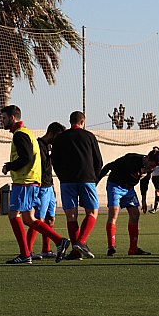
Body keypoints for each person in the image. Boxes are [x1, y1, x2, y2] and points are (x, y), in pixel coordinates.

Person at [0, 105, 70, 264]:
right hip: (29, 182)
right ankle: (59, 242)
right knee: (28, 219)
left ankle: (26, 254)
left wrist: (9, 166)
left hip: (25, 182)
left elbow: (26, 158)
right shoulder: (26, 133)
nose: (2, 121)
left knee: (15, 216)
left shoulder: (20, 135)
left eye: (4, 118)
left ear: (12, 118)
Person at [51, 111, 103, 260]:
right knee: (92, 212)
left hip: (67, 181)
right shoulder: (89, 136)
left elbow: (54, 160)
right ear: (83, 122)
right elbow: (98, 160)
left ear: (70, 121)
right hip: (87, 179)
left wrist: (62, 176)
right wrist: (94, 178)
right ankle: (80, 242)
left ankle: (76, 252)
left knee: (71, 216)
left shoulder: (60, 138)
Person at [99, 149, 159, 256]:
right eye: (152, 165)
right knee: (114, 213)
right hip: (115, 185)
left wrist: (143, 200)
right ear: (147, 159)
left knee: (135, 214)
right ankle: (111, 247)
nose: (152, 168)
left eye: (154, 167)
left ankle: (133, 249)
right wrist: (96, 182)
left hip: (129, 189)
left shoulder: (150, 168)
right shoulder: (131, 159)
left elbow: (144, 182)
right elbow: (108, 166)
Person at [27, 122, 65, 260]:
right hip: (41, 188)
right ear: (52, 134)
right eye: (58, 137)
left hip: (49, 188)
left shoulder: (50, 148)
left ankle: (46, 249)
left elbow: (49, 169)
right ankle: (28, 251)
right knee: (38, 220)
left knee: (50, 219)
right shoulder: (37, 145)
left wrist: (53, 187)